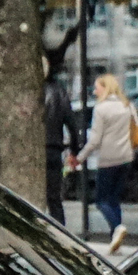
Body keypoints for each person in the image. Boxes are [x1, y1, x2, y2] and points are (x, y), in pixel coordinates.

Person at [83, 73, 138, 257]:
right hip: (126, 158)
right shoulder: (127, 105)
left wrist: (81, 157)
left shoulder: (101, 109)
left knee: (101, 201)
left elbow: (95, 139)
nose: (94, 91)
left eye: (97, 87)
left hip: (108, 159)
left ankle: (117, 228)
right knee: (114, 199)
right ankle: (116, 238)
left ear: (105, 88)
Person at [42, 68, 80, 222]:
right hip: (53, 148)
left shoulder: (29, 91)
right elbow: (72, 125)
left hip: (38, 150)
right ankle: (59, 232)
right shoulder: (59, 92)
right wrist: (74, 151)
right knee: (54, 199)